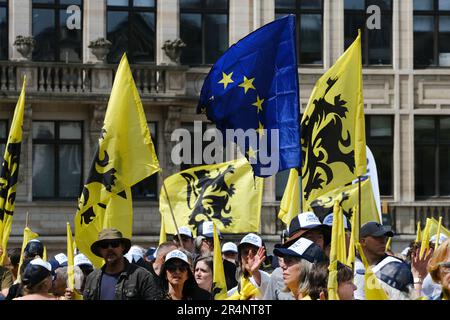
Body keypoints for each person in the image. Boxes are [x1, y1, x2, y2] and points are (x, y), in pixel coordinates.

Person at [263, 211, 327, 300]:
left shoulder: (333, 273)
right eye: (309, 237)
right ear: (293, 242)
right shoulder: (278, 275)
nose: (316, 242)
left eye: (320, 237)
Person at [83, 228, 157, 300]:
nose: (110, 248)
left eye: (114, 244)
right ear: (100, 250)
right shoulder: (92, 278)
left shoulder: (142, 276)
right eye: (104, 245)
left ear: (123, 247)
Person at [354, 221, 414, 300]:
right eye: (377, 237)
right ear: (363, 241)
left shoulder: (397, 267)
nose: (383, 241)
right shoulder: (351, 265)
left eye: (384, 237)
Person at [228, 233, 270, 299]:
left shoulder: (267, 278)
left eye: (254, 252)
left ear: (263, 256)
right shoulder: (240, 285)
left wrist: (255, 272)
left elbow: (263, 283)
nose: (249, 256)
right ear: (240, 258)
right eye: (245, 252)